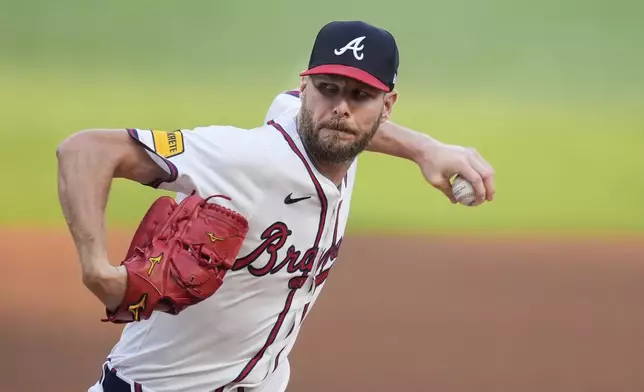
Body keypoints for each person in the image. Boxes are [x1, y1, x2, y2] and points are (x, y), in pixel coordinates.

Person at [56, 20, 495, 392]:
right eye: (327, 89)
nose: (340, 108)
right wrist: (98, 271)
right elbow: (85, 150)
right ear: (305, 88)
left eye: (360, 96)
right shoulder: (247, 157)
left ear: (387, 107)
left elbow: (351, 125)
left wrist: (425, 148)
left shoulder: (338, 144)